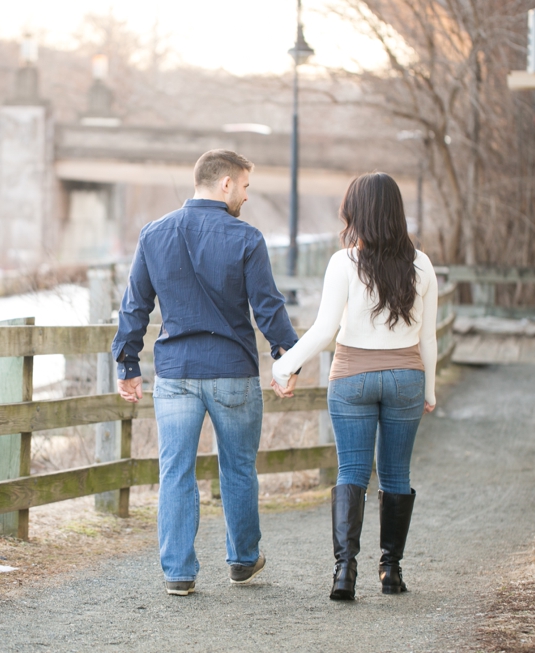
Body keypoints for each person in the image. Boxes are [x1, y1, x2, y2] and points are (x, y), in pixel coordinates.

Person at [112, 149, 298, 597]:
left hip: (175, 373)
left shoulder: (153, 234)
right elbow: (267, 307)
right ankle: (242, 560)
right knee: (237, 468)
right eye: (246, 187)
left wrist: (128, 362)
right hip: (232, 370)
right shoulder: (246, 238)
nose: (247, 197)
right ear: (226, 184)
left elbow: (135, 305)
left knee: (175, 470)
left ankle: (178, 571)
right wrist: (286, 359)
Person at [271, 172, 437, 601]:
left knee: (352, 473)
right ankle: (391, 572)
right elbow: (428, 338)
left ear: (357, 213)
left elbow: (325, 330)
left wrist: (285, 366)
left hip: (351, 378)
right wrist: (431, 389)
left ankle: (345, 573)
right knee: (397, 473)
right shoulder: (421, 264)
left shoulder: (343, 263)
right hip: (406, 378)